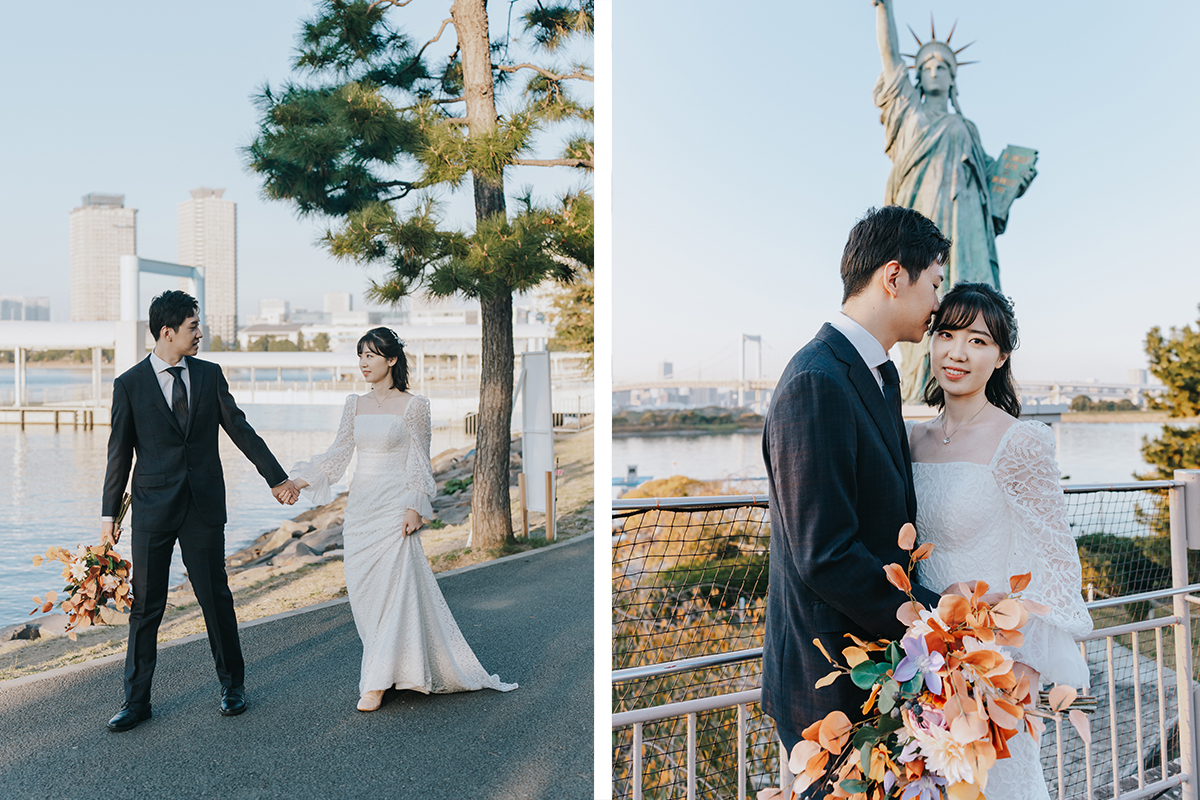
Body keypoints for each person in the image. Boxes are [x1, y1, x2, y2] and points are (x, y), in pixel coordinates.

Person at [761, 205, 946, 756]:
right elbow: (825, 553)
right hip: (830, 689)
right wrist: (933, 619)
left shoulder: (878, 374)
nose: (938, 303)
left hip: (881, 673)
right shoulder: (816, 381)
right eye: (934, 284)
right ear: (895, 277)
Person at [907, 283, 1092, 797]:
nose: (957, 352)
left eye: (978, 340)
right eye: (946, 334)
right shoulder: (910, 439)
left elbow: (1056, 560)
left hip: (996, 665)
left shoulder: (1020, 441)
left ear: (1001, 355)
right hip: (923, 659)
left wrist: (1029, 663)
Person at [101, 291, 301, 733]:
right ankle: (136, 702)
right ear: (167, 332)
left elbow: (240, 430)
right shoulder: (129, 385)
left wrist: (277, 479)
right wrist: (108, 518)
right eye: (193, 326)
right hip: (152, 509)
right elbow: (119, 456)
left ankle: (233, 687)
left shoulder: (209, 376)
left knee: (216, 597)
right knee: (146, 608)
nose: (200, 333)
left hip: (203, 506)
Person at [289, 327, 516, 711]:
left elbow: (419, 459)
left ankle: (375, 682)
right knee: (364, 593)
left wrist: (415, 505)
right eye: (360, 356)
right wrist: (297, 481)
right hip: (361, 508)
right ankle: (392, 665)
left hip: (395, 506)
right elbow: (339, 454)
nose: (363, 363)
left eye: (371, 356)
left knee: (395, 589)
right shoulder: (354, 404)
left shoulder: (415, 406)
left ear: (391, 359)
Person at [871, 0, 1036, 402]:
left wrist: (1018, 178)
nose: (934, 72)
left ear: (953, 77)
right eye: (925, 67)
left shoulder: (967, 127)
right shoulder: (908, 113)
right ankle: (918, 385)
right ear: (918, 77)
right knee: (920, 299)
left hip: (968, 226)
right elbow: (891, 61)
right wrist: (883, 9)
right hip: (922, 218)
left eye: (942, 67)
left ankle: (982, 388)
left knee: (974, 297)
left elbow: (993, 179)